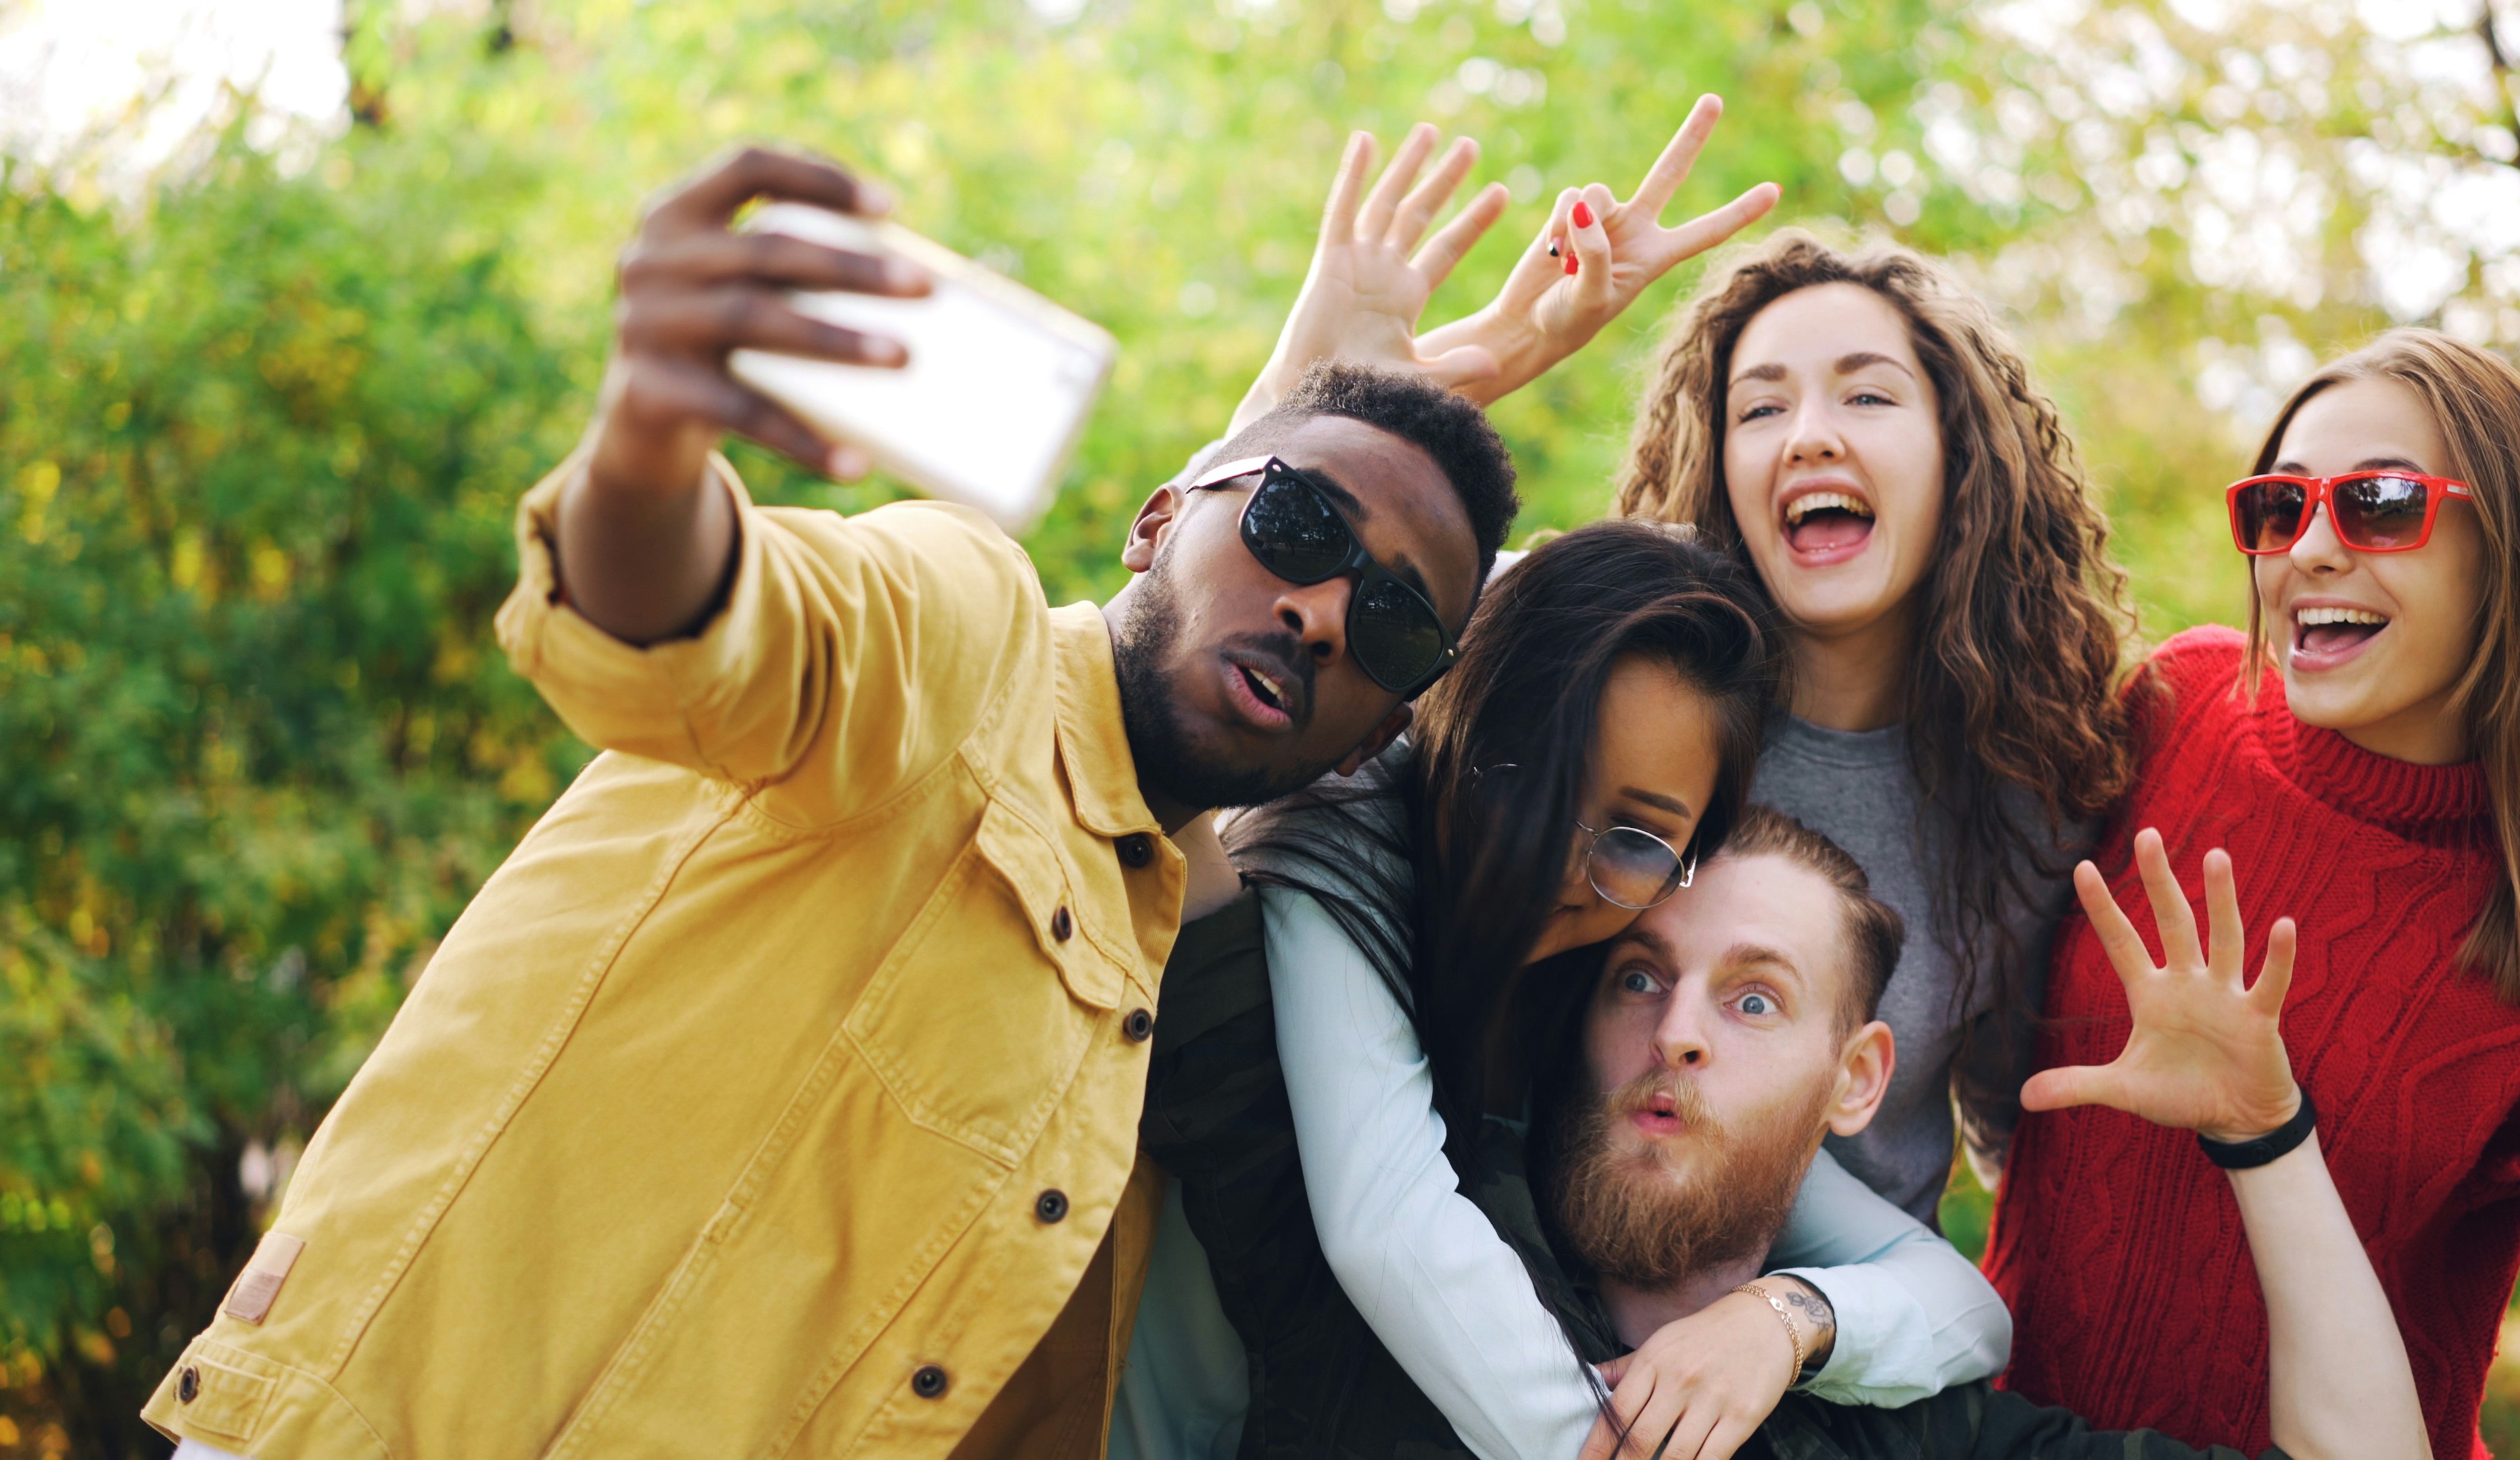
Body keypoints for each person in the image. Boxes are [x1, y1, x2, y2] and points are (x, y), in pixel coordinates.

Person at [139, 145, 1521, 1460]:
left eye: (1397, 624)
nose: (1327, 612)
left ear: (1372, 744)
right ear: (1157, 520)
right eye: (1298, 526)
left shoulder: (1168, 981)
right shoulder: (958, 626)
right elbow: (696, 626)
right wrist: (645, 442)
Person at [1184, 110, 2127, 1456]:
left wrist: (1805, 1321)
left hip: (1814, 1354)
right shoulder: (1570, 665)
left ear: (1960, 455)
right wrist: (1347, 385)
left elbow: (1991, 1202)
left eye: (1866, 393)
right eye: (1761, 405)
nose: (1809, 434)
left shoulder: (2029, 778)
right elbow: (1215, 623)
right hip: (1527, 1319)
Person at [1151, 798, 2431, 1460]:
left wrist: (2267, 1134)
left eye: (1755, 997)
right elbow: (1198, 819)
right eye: (1639, 977)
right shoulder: (1365, 1266)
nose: (1682, 1030)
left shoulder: (1919, 1433)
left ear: (1858, 1080)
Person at [1117, 518, 2013, 1460]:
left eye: (1635, 838)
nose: (1547, 863)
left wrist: (1781, 1321)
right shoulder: (1332, 859)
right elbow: (1386, 1231)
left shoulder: (1618, 996)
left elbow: (1958, 1306)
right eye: (1522, 782)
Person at [1983, 330, 2520, 1458]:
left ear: (2509, 551)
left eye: (2376, 503)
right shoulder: (2177, 700)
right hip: (2005, 1434)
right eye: (2280, 507)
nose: (2310, 548)